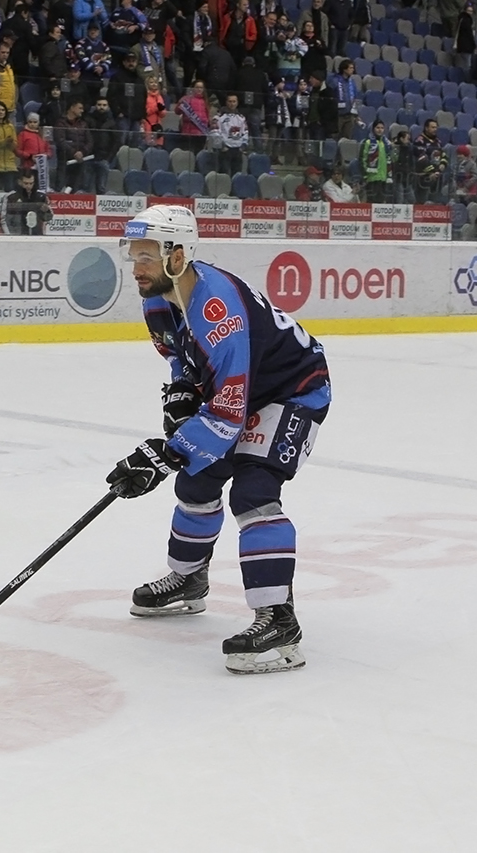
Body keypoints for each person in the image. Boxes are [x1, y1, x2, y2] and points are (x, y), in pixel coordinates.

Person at [107, 204, 330, 675]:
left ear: (178, 255)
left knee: (253, 493)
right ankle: (188, 580)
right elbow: (183, 360)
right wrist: (183, 392)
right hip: (242, 389)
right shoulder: (158, 299)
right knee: (196, 481)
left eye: (146, 256)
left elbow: (228, 414)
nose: (136, 267)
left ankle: (279, 622)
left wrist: (165, 454)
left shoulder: (218, 312)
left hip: (291, 391)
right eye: (133, 254)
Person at [55, 98, 93, 192]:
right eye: (80, 108)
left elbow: (90, 141)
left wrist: (82, 152)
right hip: (64, 160)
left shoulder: (83, 124)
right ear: (72, 108)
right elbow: (60, 141)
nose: (82, 111)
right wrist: (74, 153)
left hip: (79, 161)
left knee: (76, 188)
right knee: (61, 187)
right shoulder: (61, 123)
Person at [3, 168, 52, 234]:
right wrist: (10, 236)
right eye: (26, 183)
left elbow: (48, 218)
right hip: (17, 235)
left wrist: (46, 211)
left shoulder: (41, 196)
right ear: (19, 182)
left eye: (31, 183)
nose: (29, 186)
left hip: (37, 235)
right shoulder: (11, 196)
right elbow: (4, 219)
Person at [213, 93, 249, 176]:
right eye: (230, 101)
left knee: (237, 175)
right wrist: (222, 145)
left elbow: (245, 132)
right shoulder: (218, 117)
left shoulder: (241, 117)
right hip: (225, 150)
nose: (232, 104)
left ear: (237, 103)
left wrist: (243, 145)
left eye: (234, 101)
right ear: (226, 102)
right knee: (224, 174)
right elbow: (214, 132)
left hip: (237, 150)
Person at [358, 118, 392, 202]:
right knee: (372, 202)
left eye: (382, 128)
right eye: (378, 128)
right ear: (373, 129)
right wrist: (365, 174)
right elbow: (362, 159)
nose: (380, 130)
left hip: (383, 178)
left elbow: (390, 159)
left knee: (381, 202)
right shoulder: (368, 142)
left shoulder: (386, 143)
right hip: (371, 178)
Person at [413, 118, 446, 203]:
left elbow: (443, 155)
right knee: (422, 201)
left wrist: (442, 165)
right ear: (426, 128)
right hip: (424, 176)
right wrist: (431, 172)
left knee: (435, 200)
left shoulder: (438, 141)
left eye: (436, 127)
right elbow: (421, 159)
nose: (435, 129)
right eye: (433, 127)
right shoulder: (420, 141)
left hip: (437, 175)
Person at [176, 79, 211, 153]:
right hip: (188, 132)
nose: (199, 89)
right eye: (197, 87)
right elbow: (177, 112)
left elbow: (208, 116)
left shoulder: (205, 101)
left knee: (199, 154)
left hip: (201, 133)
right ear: (193, 88)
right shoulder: (187, 99)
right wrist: (180, 103)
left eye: (201, 87)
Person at [15, 111, 50, 175]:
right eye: (30, 122)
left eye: (35, 122)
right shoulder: (23, 134)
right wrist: (30, 156)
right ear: (27, 122)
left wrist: (45, 156)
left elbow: (49, 149)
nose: (32, 124)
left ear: (38, 123)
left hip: (42, 167)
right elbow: (18, 150)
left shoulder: (42, 134)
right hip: (27, 166)